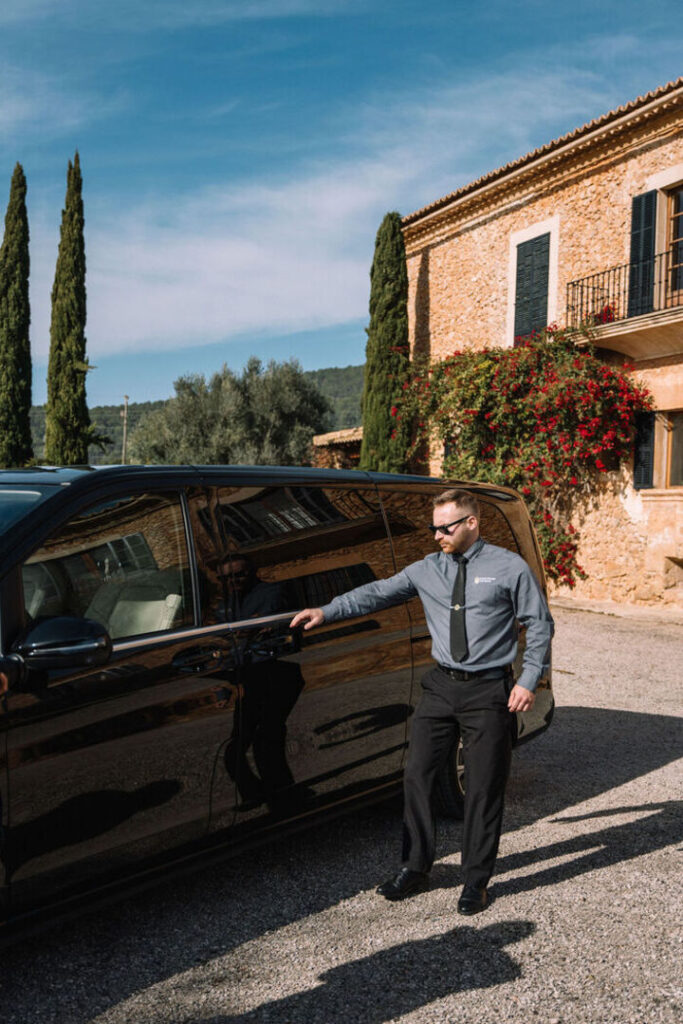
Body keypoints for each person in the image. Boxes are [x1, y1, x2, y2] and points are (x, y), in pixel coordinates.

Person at [290, 488, 554, 915]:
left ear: (471, 523)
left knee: (483, 788)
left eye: (445, 528)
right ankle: (415, 867)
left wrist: (528, 679)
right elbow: (376, 592)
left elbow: (539, 624)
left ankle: (475, 881)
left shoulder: (509, 567)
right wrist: (328, 610)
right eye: (434, 528)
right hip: (441, 687)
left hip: (489, 691)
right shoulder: (426, 569)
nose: (436, 536)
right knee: (418, 776)